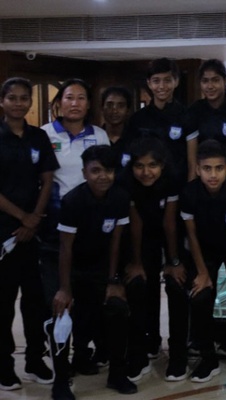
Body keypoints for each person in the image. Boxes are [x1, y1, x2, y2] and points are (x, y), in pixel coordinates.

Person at [50, 145, 135, 397]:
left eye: (108, 170)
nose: (102, 176)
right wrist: (65, 289)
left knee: (118, 308)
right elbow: (65, 248)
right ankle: (61, 380)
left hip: (100, 266)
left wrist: (113, 280)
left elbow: (116, 242)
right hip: (70, 267)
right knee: (61, 313)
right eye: (95, 170)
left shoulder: (120, 197)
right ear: (84, 173)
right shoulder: (72, 201)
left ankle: (117, 374)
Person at [40, 78, 111, 371]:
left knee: (87, 299)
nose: (75, 103)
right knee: (59, 297)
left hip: (90, 227)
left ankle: (82, 353)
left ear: (89, 104)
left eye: (81, 98)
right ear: (60, 102)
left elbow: (106, 176)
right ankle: (60, 361)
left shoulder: (100, 135)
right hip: (55, 227)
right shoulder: (45, 134)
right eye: (69, 97)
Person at [179, 140, 226, 383]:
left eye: (219, 168)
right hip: (205, 255)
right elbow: (191, 236)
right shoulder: (189, 193)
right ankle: (208, 358)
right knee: (200, 295)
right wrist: (202, 272)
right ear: (198, 169)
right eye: (207, 169)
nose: (213, 175)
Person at [0, 77, 58, 391]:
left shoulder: (38, 136)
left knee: (35, 301)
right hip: (4, 233)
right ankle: (4, 366)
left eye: (24, 98)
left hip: (35, 233)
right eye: (12, 98)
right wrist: (23, 217)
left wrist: (34, 219)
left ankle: (36, 360)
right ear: (2, 101)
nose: (19, 103)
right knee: (4, 302)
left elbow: (47, 179)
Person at [121, 137, 184, 382]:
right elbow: (136, 225)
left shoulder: (172, 179)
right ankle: (143, 348)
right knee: (139, 284)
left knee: (176, 284)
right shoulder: (127, 182)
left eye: (152, 165)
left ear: (162, 165)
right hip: (139, 238)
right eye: (139, 166)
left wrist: (173, 261)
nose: (146, 172)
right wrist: (136, 262)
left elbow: (169, 224)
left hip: (170, 234)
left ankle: (177, 353)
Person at [127, 58, 196, 186]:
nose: (162, 86)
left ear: (176, 81)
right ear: (149, 83)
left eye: (167, 80)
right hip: (145, 188)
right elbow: (132, 160)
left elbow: (192, 163)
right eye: (156, 81)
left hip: (178, 187)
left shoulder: (187, 116)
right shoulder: (137, 119)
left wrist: (190, 192)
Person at [101, 86, 133, 172]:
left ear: (128, 111)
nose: (114, 111)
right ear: (102, 108)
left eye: (121, 106)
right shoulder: (95, 137)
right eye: (109, 105)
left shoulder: (136, 139)